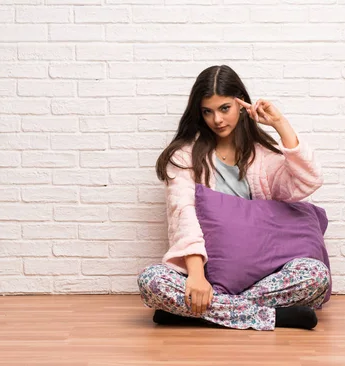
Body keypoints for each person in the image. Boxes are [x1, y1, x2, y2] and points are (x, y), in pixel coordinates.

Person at [137, 65, 329, 331]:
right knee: (152, 280)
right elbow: (183, 214)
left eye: (224, 108)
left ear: (241, 104)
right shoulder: (183, 157)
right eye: (208, 111)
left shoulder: (262, 157)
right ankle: (275, 317)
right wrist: (195, 276)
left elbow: (308, 182)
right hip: (204, 273)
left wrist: (280, 124)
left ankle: (193, 312)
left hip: (261, 272)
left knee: (315, 275)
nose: (217, 119)